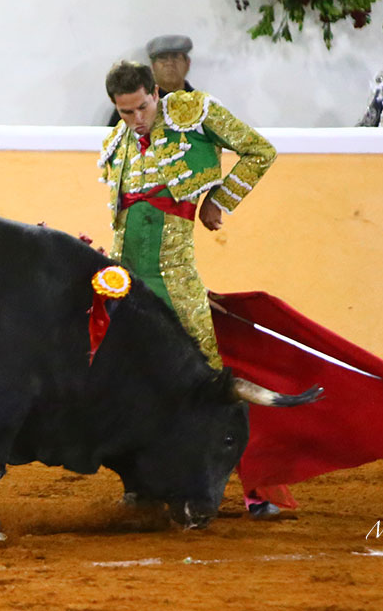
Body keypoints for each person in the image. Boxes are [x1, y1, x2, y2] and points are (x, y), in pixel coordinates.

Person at [98, 61, 280, 518]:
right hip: (131, 290)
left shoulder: (192, 114)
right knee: (133, 387)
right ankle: (143, 483)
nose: (136, 119)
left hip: (176, 284)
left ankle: (258, 493)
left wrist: (221, 200)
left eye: (141, 107)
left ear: (155, 92)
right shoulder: (118, 145)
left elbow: (259, 150)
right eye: (125, 112)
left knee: (213, 391)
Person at [107, 35, 196, 126]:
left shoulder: (199, 103)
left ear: (188, 63)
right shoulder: (133, 102)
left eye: (175, 57)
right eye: (163, 58)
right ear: (153, 66)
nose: (170, 63)